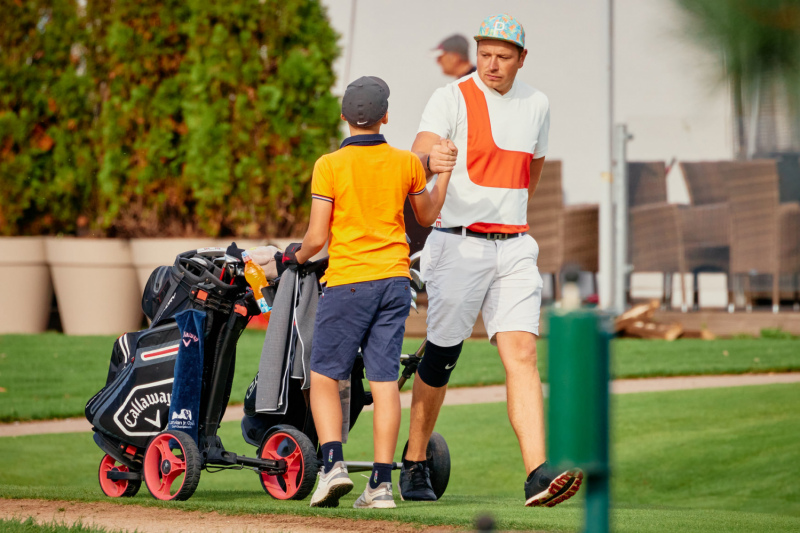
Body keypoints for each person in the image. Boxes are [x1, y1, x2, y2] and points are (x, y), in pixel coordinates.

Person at [399, 14, 583, 508]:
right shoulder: (451, 97)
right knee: (441, 356)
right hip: (457, 245)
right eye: (485, 54)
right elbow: (415, 153)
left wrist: (509, 219)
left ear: (522, 58)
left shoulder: (538, 104)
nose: (492, 64)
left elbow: (532, 172)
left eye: (503, 56)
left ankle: (537, 473)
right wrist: (429, 160)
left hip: (516, 246)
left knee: (522, 354)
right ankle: (415, 461)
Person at [278, 76, 454, 509]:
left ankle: (333, 465)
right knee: (383, 383)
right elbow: (427, 215)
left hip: (348, 283)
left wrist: (292, 259)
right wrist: (443, 175)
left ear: (343, 116)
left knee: (324, 377)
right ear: (385, 117)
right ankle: (379, 486)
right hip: (394, 283)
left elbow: (317, 238)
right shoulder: (406, 163)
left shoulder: (330, 164)